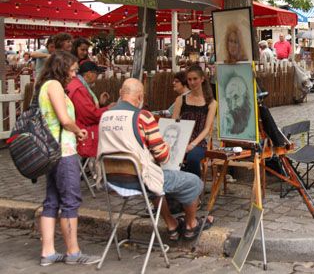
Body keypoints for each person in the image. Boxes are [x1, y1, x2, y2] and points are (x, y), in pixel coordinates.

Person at [98, 79, 214, 241]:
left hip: (113, 180)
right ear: (140, 97)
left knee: (154, 179)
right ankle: (191, 225)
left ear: (120, 94)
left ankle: (172, 224)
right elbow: (163, 156)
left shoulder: (105, 116)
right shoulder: (143, 117)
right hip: (140, 180)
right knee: (193, 181)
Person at [36, 51, 100, 266]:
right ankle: (73, 251)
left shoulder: (45, 86)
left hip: (51, 150)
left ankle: (48, 251)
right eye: (72, 70)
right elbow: (64, 119)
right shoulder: (54, 86)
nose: (74, 75)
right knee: (70, 201)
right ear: (62, 68)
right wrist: (78, 130)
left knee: (52, 201)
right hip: (63, 151)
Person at [172, 65, 217, 178]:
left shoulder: (211, 103)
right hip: (180, 140)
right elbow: (173, 122)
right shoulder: (180, 99)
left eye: (195, 79)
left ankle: (194, 187)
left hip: (198, 142)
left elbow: (207, 128)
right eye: (189, 79)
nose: (192, 82)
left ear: (202, 79)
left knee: (192, 158)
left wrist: (192, 144)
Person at [66, 61, 111, 158]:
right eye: (96, 74)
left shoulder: (78, 85)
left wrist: (101, 104)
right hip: (79, 134)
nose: (97, 77)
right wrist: (108, 109)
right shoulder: (78, 88)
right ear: (89, 74)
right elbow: (89, 116)